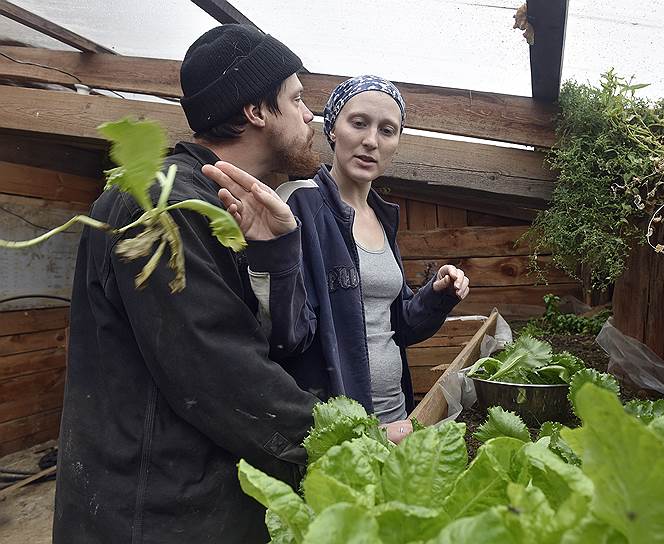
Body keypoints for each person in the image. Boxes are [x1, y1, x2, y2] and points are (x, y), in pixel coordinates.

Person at [54, 25, 322, 543]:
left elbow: (279, 344)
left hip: (203, 500)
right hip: (154, 510)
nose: (310, 114)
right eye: (296, 98)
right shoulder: (159, 200)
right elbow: (218, 371)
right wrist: (342, 437)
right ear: (256, 111)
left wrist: (278, 252)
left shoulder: (232, 205)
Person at [214, 75, 470, 435]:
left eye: (387, 130)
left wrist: (437, 296)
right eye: (359, 123)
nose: (370, 141)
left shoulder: (382, 216)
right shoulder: (297, 203)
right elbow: (285, 336)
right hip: (336, 427)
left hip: (397, 414)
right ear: (333, 128)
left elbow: (399, 327)